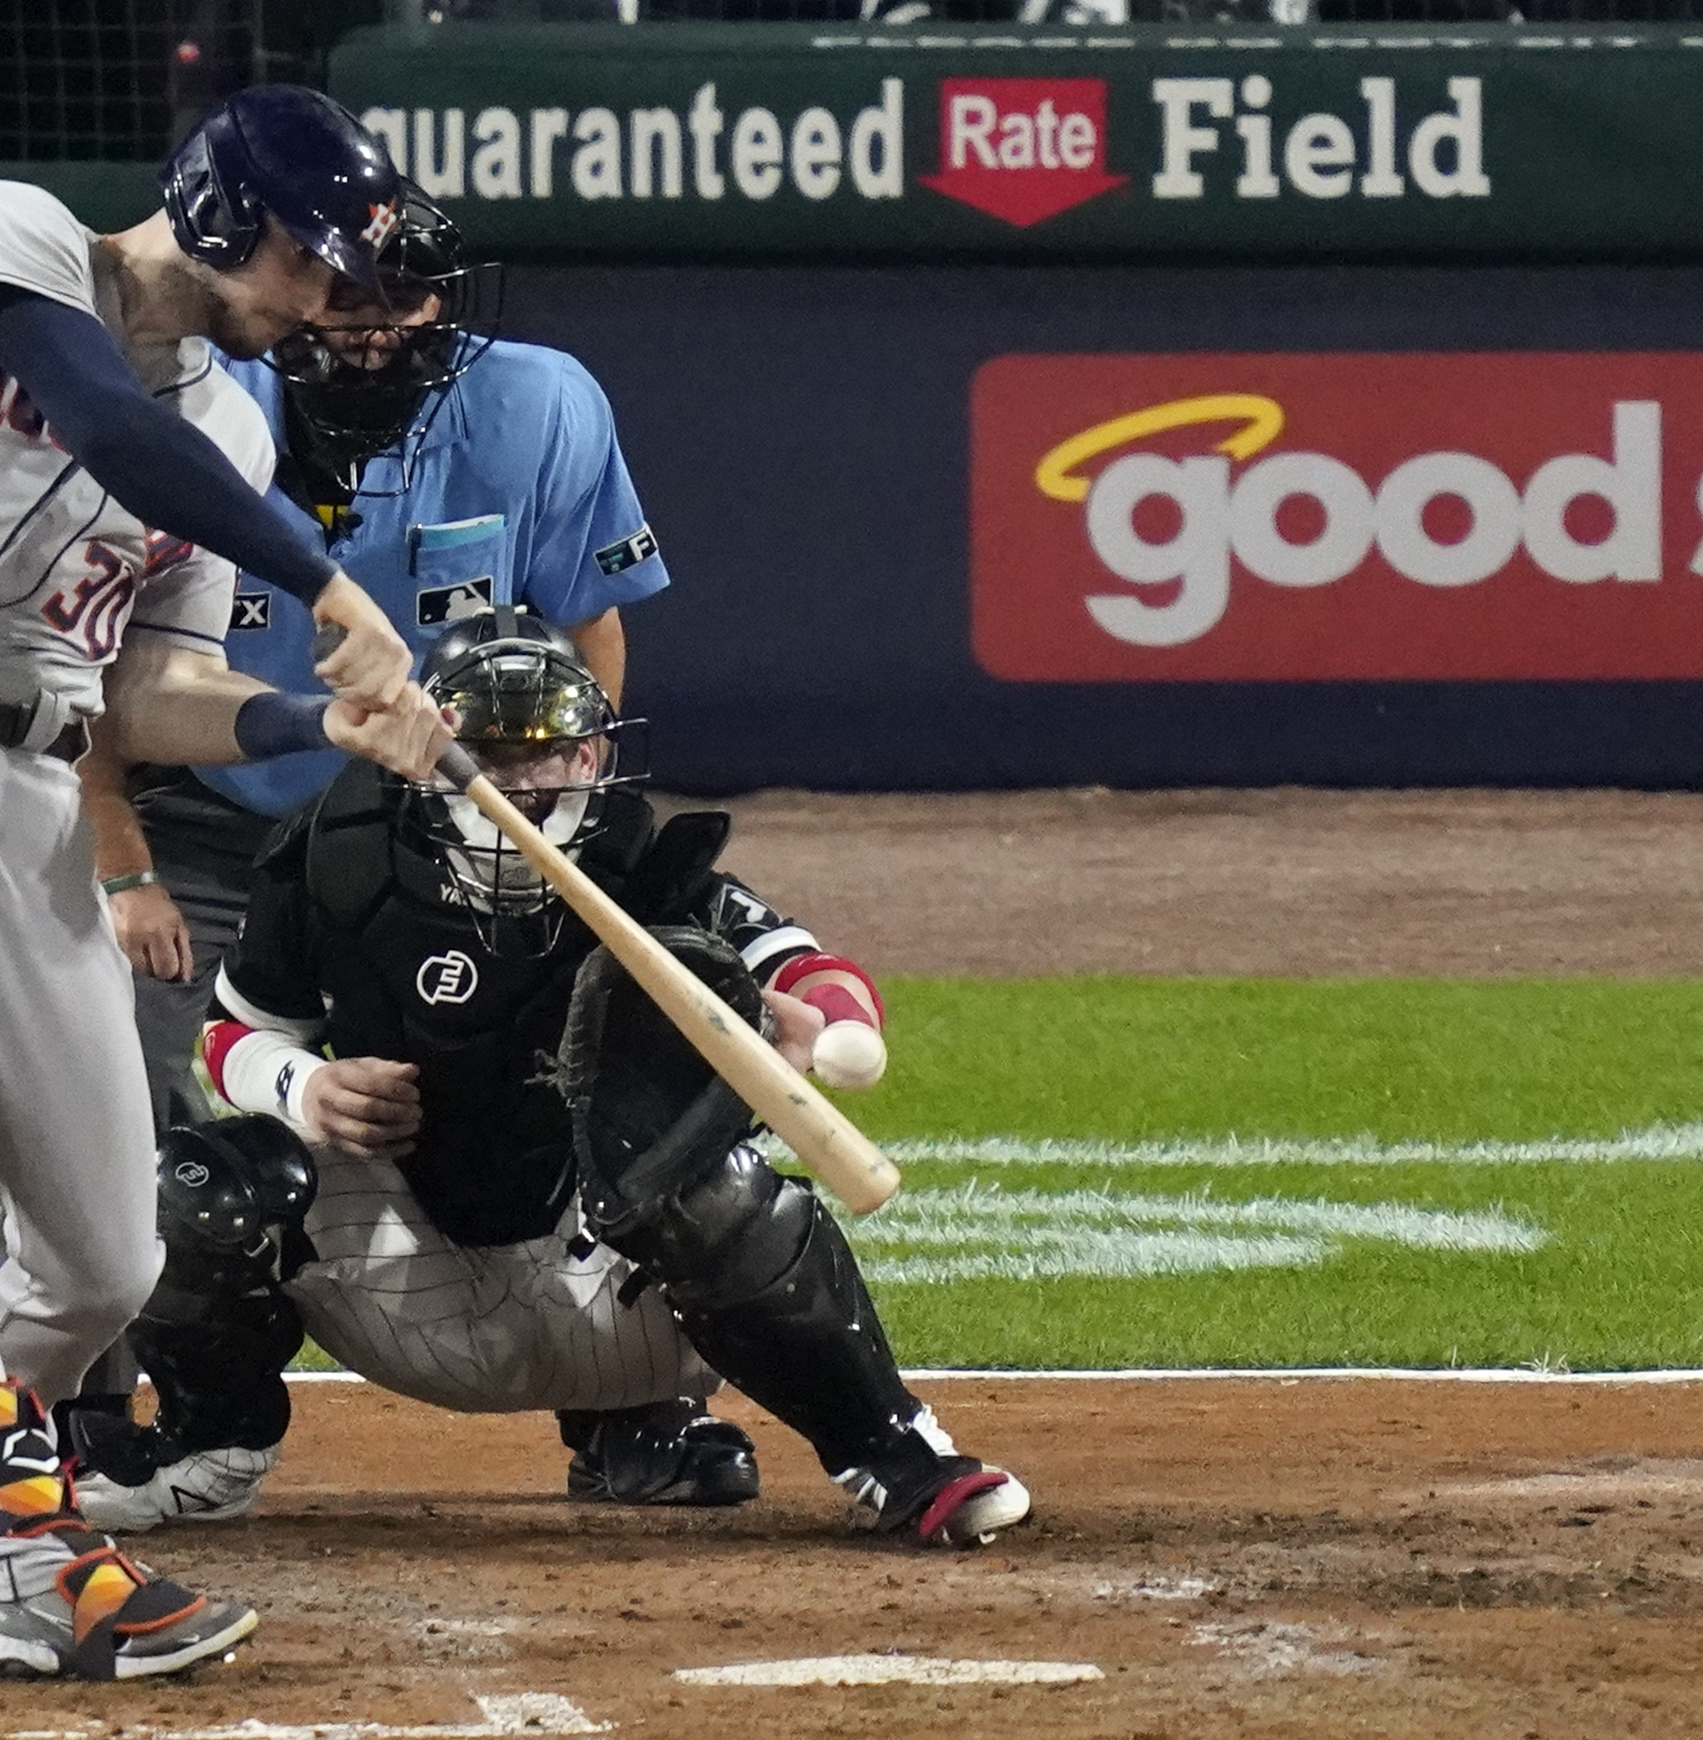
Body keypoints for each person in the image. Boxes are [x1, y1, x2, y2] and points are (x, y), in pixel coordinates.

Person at [0, 85, 452, 1682]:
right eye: (306, 260)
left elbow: (145, 699)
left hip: (26, 801)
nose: (326, 300)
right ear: (210, 213)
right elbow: (107, 421)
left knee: (108, 1256)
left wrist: (317, 718)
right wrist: (321, 578)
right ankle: (31, 1564)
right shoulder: (6, 238)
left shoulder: (241, 430)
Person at [73, 612, 1031, 1545]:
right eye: (488, 755)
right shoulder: (337, 852)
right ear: (428, 752)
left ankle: (896, 1455)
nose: (519, 783)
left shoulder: (643, 860)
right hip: (408, 1286)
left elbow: (804, 968)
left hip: (611, 1295)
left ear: (591, 758)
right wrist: (305, 1088)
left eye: (544, 755)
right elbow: (234, 1037)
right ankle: (205, 1450)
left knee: (719, 1186)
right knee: (197, 1181)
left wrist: (831, 1030)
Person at [79, 188, 668, 1139]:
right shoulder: (191, 404)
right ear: (288, 291)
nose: (378, 327)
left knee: (474, 1097)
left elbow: (586, 627)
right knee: (112, 1090)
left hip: (436, 817)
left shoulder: (539, 404)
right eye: (347, 297)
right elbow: (85, 657)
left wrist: (565, 813)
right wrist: (119, 862)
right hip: (214, 810)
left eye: (408, 295)